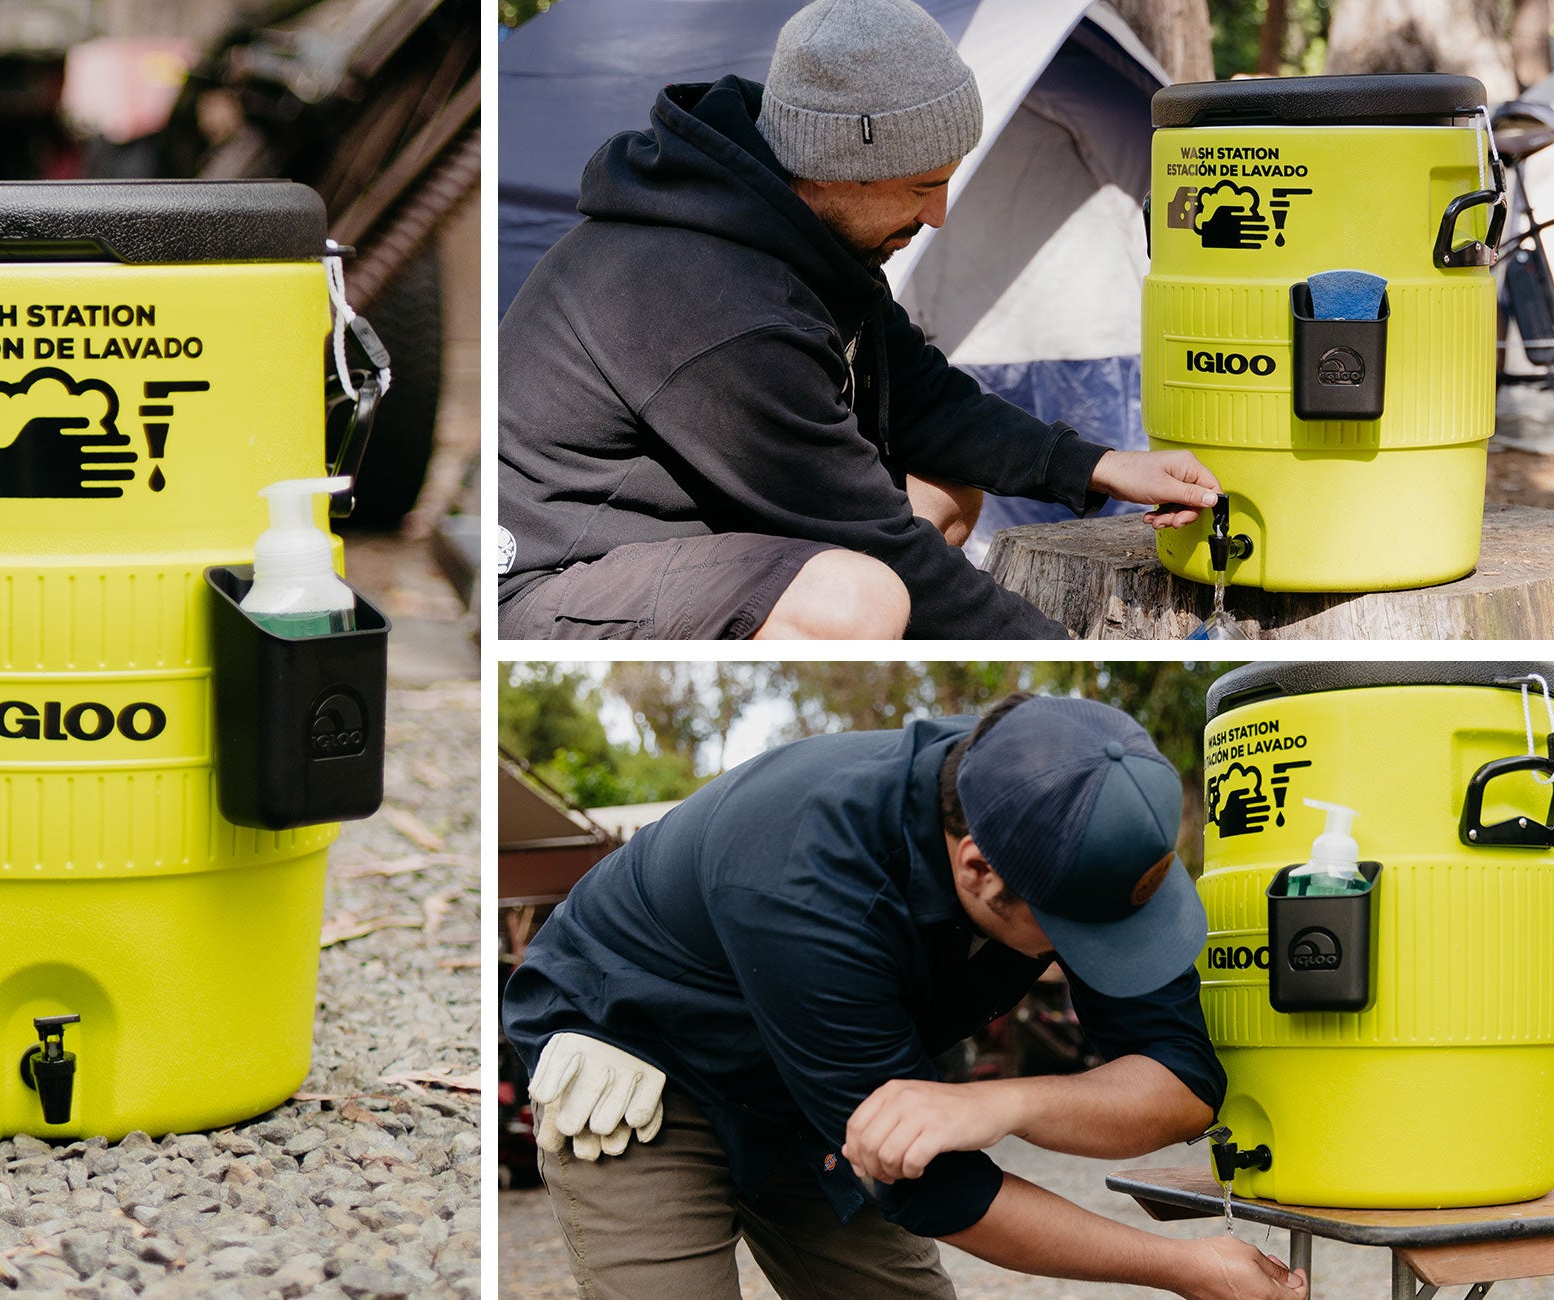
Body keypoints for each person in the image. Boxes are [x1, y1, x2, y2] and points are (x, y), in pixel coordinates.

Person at [502, 693, 1308, 1299]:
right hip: (642, 1056)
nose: (1097, 958)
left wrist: (1006, 1104)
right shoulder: (806, 875)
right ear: (977, 870)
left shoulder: (1074, 821)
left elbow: (1183, 1086)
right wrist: (1185, 1268)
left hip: (827, 1077)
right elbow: (936, 1191)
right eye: (1073, 933)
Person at [496, 0, 1220, 640]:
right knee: (855, 598)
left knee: (945, 490)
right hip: (555, 582)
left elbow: (924, 397)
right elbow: (876, 541)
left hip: (667, 538)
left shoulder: (803, 234)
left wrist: (1105, 466)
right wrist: (1053, 652)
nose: (937, 216)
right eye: (922, 187)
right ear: (834, 164)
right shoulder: (716, 309)